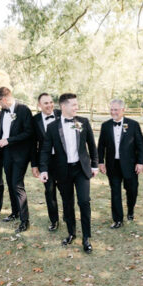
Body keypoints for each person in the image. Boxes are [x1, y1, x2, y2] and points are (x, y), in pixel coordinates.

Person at [39, 93, 99, 253]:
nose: (76, 108)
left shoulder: (83, 122)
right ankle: (71, 233)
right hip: (62, 170)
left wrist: (95, 165)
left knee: (84, 201)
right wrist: (43, 169)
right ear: (63, 106)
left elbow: (92, 145)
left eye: (77, 105)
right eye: (73, 105)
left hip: (81, 169)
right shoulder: (52, 127)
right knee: (67, 203)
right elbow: (45, 149)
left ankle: (86, 237)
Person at [98, 99, 143, 229]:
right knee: (115, 192)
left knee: (132, 190)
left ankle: (130, 210)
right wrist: (101, 162)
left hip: (130, 165)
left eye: (116, 109)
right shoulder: (106, 125)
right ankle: (118, 219)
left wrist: (140, 162)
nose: (113, 112)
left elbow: (140, 145)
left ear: (123, 110)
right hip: (112, 165)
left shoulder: (133, 125)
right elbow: (101, 146)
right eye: (111, 109)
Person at [0, 86, 34, 232]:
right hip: (6, 154)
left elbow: (29, 133)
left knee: (17, 185)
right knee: (10, 183)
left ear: (3, 99)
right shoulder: (4, 111)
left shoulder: (23, 110)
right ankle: (15, 212)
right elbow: (3, 132)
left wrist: (9, 140)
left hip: (20, 154)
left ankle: (25, 220)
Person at [31, 93, 61, 231]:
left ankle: (68, 216)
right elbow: (32, 144)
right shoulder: (35, 120)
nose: (49, 105)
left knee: (66, 191)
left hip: (63, 160)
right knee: (49, 192)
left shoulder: (62, 115)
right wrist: (34, 164)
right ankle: (54, 220)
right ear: (39, 105)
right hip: (45, 161)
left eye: (50, 102)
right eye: (45, 103)